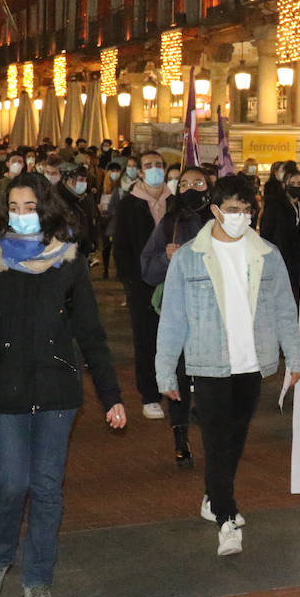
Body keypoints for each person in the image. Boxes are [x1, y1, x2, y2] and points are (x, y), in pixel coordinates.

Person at [0, 172, 126, 597]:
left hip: (57, 391)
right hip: (6, 391)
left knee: (47, 487)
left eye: (29, 207)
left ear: (46, 209)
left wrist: (110, 394)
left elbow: (90, 332)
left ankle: (38, 579)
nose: (21, 216)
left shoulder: (68, 260)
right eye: (13, 208)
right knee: (12, 483)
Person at [155, 174, 300, 556]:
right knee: (217, 439)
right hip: (208, 363)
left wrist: (296, 357)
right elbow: (173, 319)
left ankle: (212, 495)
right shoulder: (190, 256)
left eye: (248, 209)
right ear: (217, 210)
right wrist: (165, 371)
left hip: (252, 363)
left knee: (235, 439)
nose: (242, 216)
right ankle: (226, 516)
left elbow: (286, 310)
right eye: (234, 210)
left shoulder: (267, 253)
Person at [141, 166, 212, 468]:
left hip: (214, 312)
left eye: (198, 182)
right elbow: (147, 269)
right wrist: (165, 257)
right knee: (180, 374)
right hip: (179, 309)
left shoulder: (221, 220)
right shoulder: (171, 220)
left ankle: (213, 431)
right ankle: (180, 437)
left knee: (212, 375)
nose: (190, 188)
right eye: (183, 183)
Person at [114, 150, 173, 420]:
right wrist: (131, 282)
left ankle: (174, 387)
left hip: (173, 280)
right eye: (149, 166)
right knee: (146, 338)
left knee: (174, 337)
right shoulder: (129, 204)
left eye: (159, 165)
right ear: (140, 171)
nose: (154, 170)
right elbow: (122, 246)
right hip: (142, 283)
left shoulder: (175, 202)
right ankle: (150, 395)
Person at [259, 165, 300, 300]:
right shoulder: (275, 204)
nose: (296, 186)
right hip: (283, 254)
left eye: (299, 183)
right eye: (293, 183)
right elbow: (266, 230)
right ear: (285, 184)